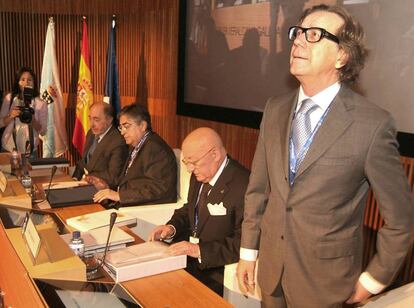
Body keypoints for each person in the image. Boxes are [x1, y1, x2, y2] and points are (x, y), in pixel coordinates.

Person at [236, 4, 414, 308]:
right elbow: (257, 190)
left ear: (342, 55)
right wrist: (248, 252)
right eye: (299, 32)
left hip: (326, 287)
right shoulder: (275, 108)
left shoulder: (371, 125)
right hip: (271, 275)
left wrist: (372, 281)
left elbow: (402, 221)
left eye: (315, 34)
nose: (299, 41)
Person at [149, 127, 250, 296]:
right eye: (186, 162)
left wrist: (199, 250)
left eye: (193, 162)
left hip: (218, 273)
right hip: (189, 263)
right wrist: (171, 227)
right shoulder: (202, 173)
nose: (189, 169)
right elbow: (190, 209)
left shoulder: (244, 185)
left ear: (215, 154)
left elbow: (246, 241)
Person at [91, 104, 177, 207]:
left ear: (142, 126)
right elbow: (130, 180)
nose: (122, 132)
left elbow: (159, 188)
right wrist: (106, 186)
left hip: (145, 210)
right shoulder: (137, 145)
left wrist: (119, 196)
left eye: (126, 126)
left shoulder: (155, 148)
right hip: (126, 205)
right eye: (121, 127)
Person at [72, 102, 128, 189]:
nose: (91, 124)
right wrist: (74, 179)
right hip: (84, 185)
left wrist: (88, 179)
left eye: (96, 120)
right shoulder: (91, 133)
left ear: (109, 120)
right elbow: (84, 162)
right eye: (90, 119)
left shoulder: (118, 142)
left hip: (101, 191)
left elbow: (113, 176)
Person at [0, 67, 47, 156]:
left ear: (34, 83)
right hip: (8, 148)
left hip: (30, 151)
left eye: (30, 80)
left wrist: (32, 120)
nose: (26, 83)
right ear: (18, 82)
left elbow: (43, 131)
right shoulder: (9, 99)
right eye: (23, 79)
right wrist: (11, 116)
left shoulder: (41, 104)